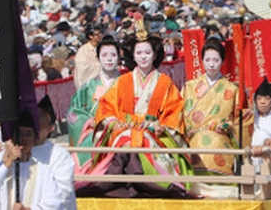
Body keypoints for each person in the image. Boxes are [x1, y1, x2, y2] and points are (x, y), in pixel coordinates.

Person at [79, 17, 192, 198]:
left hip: (154, 132)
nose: (143, 56)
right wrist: (113, 122)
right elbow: (107, 106)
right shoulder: (123, 81)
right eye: (139, 53)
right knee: (126, 140)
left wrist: (160, 125)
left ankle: (145, 184)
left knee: (141, 141)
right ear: (133, 56)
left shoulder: (164, 82)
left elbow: (174, 110)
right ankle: (120, 183)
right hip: (124, 129)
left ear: (155, 55)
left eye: (147, 52)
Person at [181, 37, 240, 197]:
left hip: (220, 140)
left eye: (216, 59)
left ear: (222, 61)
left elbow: (239, 121)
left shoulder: (232, 89)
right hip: (194, 139)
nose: (211, 64)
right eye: (207, 59)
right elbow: (181, 117)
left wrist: (228, 126)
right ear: (202, 61)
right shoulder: (189, 87)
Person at [0, 112, 64, 210]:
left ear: (34, 139)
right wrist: (10, 160)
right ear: (14, 138)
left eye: (28, 134)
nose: (24, 139)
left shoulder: (43, 171)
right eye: (20, 134)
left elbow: (54, 203)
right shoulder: (1, 166)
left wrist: (27, 209)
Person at [67, 36, 120, 166]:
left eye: (113, 55)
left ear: (119, 57)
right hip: (93, 134)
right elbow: (74, 114)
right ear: (98, 58)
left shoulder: (127, 84)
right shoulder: (87, 86)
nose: (109, 59)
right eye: (104, 55)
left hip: (119, 134)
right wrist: (90, 123)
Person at [32, 96, 77, 210]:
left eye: (40, 115)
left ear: (51, 127)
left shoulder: (59, 155)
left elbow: (63, 193)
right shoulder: (19, 151)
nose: (35, 119)